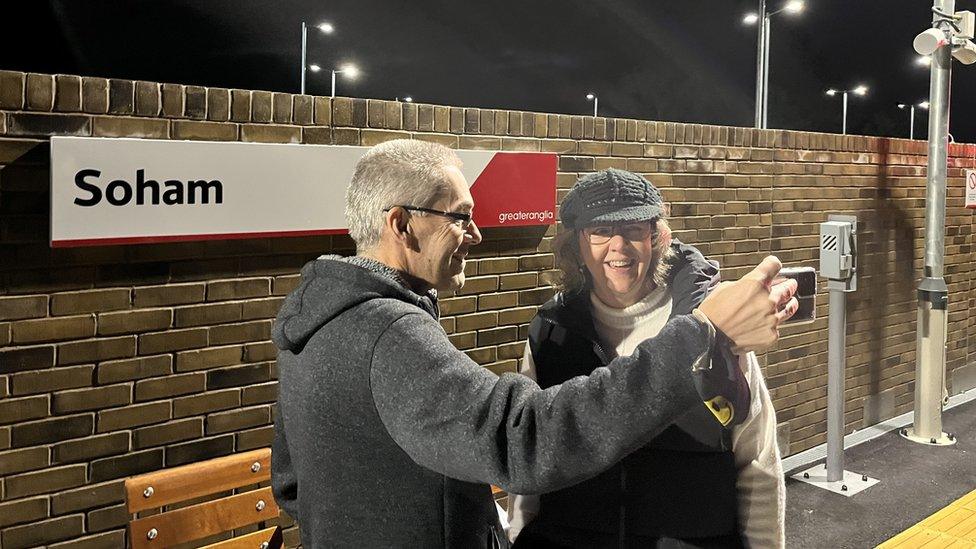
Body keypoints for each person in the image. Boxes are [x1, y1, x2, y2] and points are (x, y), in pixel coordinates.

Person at [270, 140, 797, 548]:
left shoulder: (315, 319)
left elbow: (291, 484)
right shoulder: (395, 332)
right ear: (403, 224)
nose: (475, 234)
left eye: (635, 230)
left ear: (657, 237)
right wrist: (703, 335)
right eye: (461, 216)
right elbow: (524, 444)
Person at [506, 168, 786, 548]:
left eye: (634, 229)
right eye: (600, 231)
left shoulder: (711, 323)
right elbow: (531, 458)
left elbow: (757, 464)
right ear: (576, 245)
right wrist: (519, 534)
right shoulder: (551, 332)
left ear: (656, 239)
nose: (618, 245)